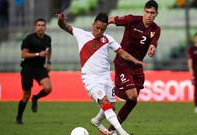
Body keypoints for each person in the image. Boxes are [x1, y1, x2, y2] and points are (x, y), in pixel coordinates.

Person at [55, 12, 143, 135]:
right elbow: (64, 26)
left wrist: (135, 61)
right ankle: (122, 132)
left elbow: (122, 53)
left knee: (111, 107)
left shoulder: (108, 39)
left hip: (106, 78)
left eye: (102, 29)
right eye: (97, 28)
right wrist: (60, 20)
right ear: (92, 25)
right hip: (91, 79)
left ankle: (96, 121)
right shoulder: (81, 34)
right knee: (105, 103)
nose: (99, 31)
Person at [106, 0, 161, 133]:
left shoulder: (155, 29)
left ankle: (112, 130)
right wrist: (98, 28)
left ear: (156, 14)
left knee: (133, 100)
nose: (149, 15)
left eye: (152, 13)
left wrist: (152, 48)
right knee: (132, 95)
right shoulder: (132, 20)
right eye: (147, 12)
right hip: (123, 62)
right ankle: (112, 91)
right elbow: (110, 19)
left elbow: (153, 43)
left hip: (137, 66)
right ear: (143, 11)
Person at [15, 18, 52, 124]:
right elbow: (23, 54)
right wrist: (37, 54)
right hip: (28, 68)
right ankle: (19, 117)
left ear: (45, 27)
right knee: (26, 94)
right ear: (35, 27)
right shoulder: (29, 39)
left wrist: (48, 63)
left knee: (48, 88)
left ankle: (35, 98)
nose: (41, 27)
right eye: (39, 25)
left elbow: (49, 51)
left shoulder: (48, 39)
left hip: (40, 68)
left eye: (43, 25)